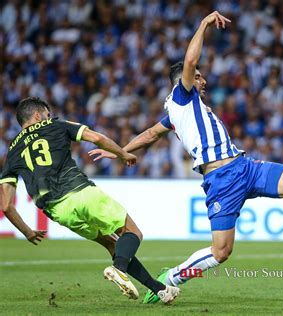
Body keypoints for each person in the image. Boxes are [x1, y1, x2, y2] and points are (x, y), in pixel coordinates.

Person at [89, 11, 283, 304]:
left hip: (245, 167)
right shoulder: (182, 96)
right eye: (198, 76)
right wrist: (203, 24)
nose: (202, 80)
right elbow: (188, 61)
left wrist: (118, 150)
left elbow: (147, 136)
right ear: (185, 81)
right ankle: (171, 276)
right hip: (221, 181)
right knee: (222, 251)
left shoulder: (175, 114)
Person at [0, 97, 180, 304]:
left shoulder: (12, 151)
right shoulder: (56, 124)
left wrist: (27, 232)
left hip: (58, 211)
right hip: (81, 193)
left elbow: (5, 205)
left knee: (113, 245)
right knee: (132, 233)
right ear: (38, 115)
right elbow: (95, 137)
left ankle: (160, 290)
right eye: (47, 115)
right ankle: (118, 270)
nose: (49, 118)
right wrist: (122, 153)